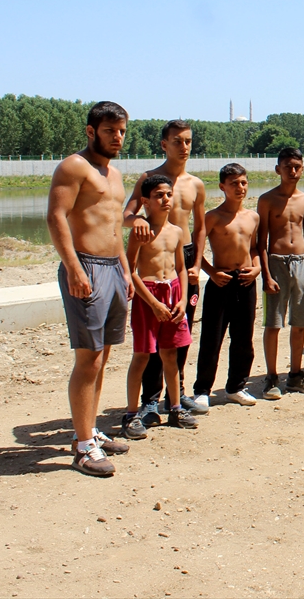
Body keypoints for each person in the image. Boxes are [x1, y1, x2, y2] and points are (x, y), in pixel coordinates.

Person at [46, 100, 133, 477]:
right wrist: (73, 268)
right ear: (90, 131)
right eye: (110, 130)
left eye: (122, 131)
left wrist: (127, 272)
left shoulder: (114, 174)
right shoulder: (73, 166)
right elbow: (56, 216)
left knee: (105, 354)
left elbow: (114, 228)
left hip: (113, 268)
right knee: (89, 357)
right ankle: (83, 448)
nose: (117, 137)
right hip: (86, 268)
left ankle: (90, 430)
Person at [122, 120, 207, 424]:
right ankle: (148, 400)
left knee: (179, 335)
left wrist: (198, 263)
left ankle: (177, 396)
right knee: (149, 344)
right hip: (151, 252)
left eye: (188, 141)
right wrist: (138, 223)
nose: (184, 147)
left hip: (181, 261)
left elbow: (200, 227)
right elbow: (128, 214)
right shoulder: (150, 179)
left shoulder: (195, 184)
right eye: (177, 141)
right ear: (164, 144)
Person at [123, 174, 196, 437]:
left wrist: (182, 300)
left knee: (170, 354)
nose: (165, 200)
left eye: (168, 194)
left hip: (173, 294)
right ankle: (131, 414)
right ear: (146, 202)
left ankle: (175, 407)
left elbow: (181, 268)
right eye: (158, 196)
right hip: (148, 296)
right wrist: (152, 302)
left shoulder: (176, 231)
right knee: (142, 355)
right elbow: (131, 270)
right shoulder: (140, 232)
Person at [189, 164, 261, 410]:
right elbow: (194, 250)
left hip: (246, 281)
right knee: (212, 338)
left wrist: (257, 268)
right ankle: (202, 390)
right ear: (222, 187)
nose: (240, 187)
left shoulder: (253, 217)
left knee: (243, 338)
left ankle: (236, 387)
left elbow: (254, 248)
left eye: (243, 182)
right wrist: (211, 272)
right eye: (234, 183)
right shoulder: (213, 217)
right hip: (221, 282)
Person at [257, 147, 304, 399]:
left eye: (296, 166)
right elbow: (261, 241)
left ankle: (295, 375)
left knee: (300, 322)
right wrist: (266, 275)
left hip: (302, 262)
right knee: (273, 323)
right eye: (287, 166)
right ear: (278, 169)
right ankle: (271, 377)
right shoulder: (267, 200)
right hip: (276, 263)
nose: (292, 171)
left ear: (302, 168)